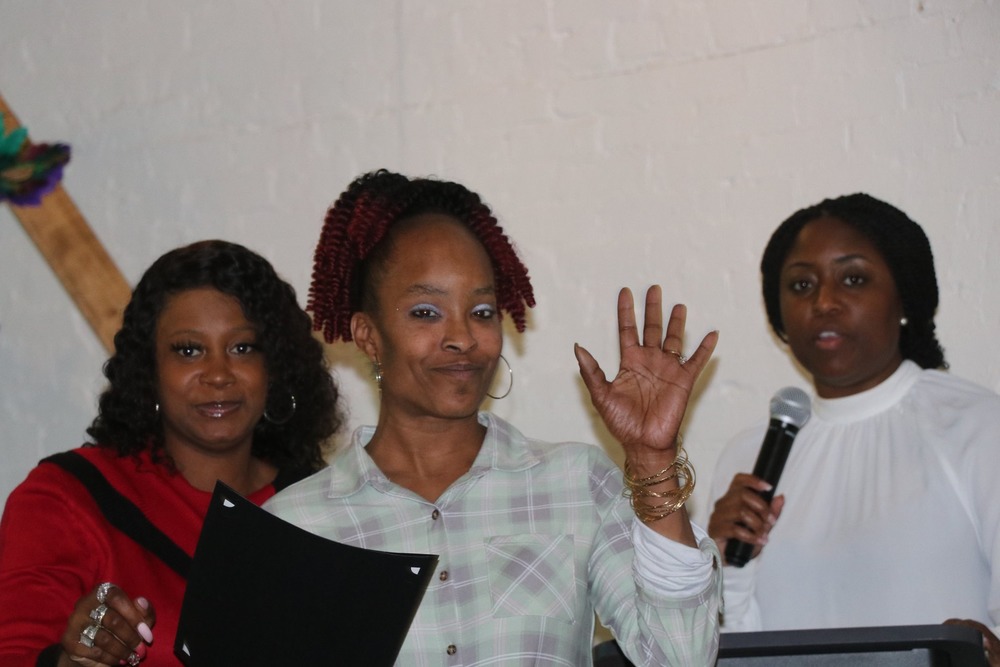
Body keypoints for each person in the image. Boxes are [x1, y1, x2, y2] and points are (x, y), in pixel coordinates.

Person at [266, 169, 722, 666]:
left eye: (482, 312)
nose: (462, 337)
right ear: (368, 335)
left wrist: (653, 460)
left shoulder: (575, 483)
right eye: (426, 312)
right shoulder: (295, 527)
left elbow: (682, 658)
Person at [0, 240, 342, 667]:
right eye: (188, 350)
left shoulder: (324, 507)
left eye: (242, 348)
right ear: (150, 371)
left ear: (276, 368)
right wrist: (75, 662)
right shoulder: (67, 498)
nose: (218, 375)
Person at [707, 193, 1000, 664]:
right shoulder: (749, 458)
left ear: (904, 295)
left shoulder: (979, 426)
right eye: (801, 286)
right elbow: (740, 647)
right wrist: (719, 567)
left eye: (854, 279)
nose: (824, 302)